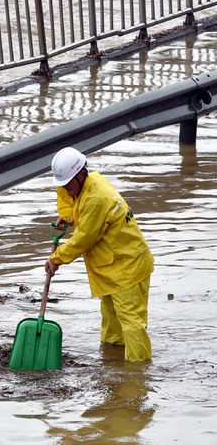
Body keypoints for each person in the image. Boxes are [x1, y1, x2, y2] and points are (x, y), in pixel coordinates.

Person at [45, 146, 153, 362]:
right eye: (62, 185)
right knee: (111, 318)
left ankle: (137, 374)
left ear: (81, 174)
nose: (65, 189)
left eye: (67, 184)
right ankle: (112, 362)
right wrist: (69, 218)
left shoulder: (97, 198)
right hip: (112, 267)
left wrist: (56, 258)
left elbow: (84, 238)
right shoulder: (91, 182)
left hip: (126, 267)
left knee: (131, 323)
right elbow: (80, 209)